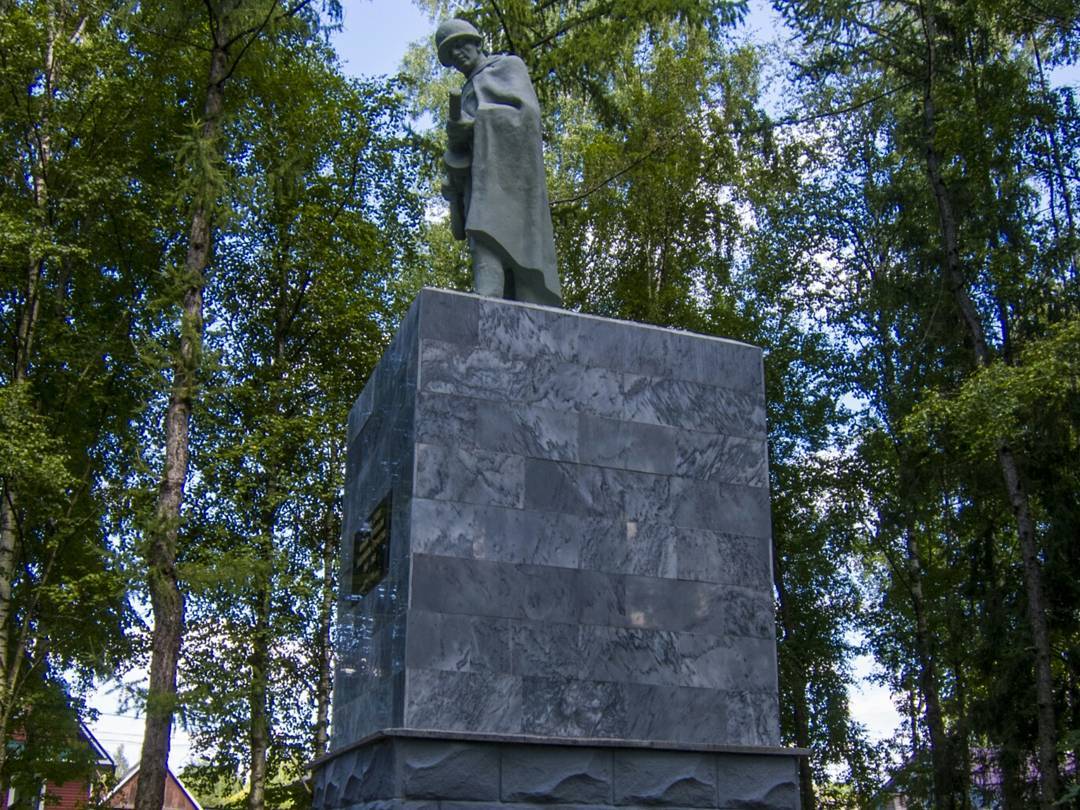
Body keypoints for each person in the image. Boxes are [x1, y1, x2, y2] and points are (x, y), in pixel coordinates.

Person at [436, 18, 562, 307]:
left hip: (515, 185)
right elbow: (465, 149)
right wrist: (457, 145)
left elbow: (527, 116)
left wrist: (476, 123)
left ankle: (529, 319)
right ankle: (484, 313)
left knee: (525, 265)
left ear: (476, 42)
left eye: (460, 45)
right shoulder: (466, 91)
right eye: (450, 53)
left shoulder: (508, 67)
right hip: (480, 186)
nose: (457, 54)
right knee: (483, 247)